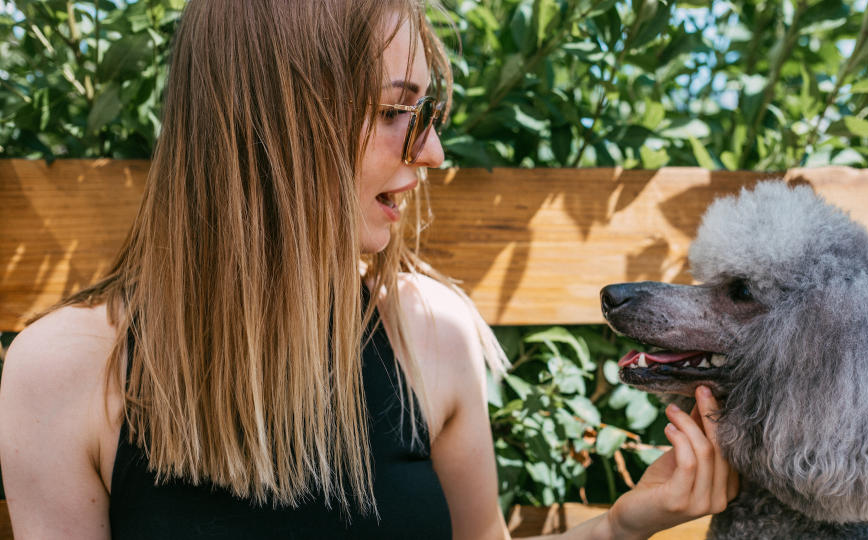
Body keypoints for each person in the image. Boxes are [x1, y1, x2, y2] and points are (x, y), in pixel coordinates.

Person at [0, 1, 737, 538]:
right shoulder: (64, 371)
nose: (432, 153)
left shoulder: (432, 334)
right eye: (395, 112)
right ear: (273, 120)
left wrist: (621, 525)